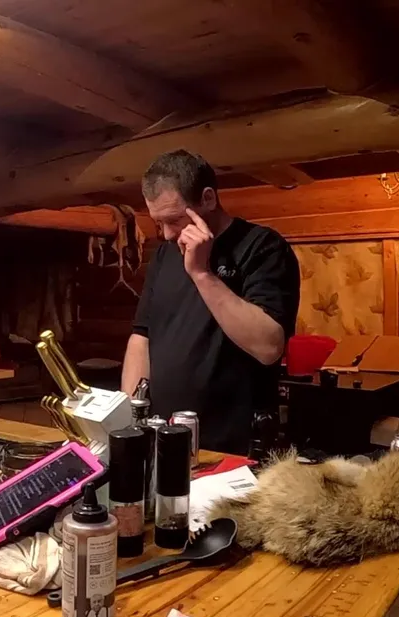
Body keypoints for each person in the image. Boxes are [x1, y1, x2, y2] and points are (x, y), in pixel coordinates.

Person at [123, 150, 301, 454]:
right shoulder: (165, 254)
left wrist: (202, 273)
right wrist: (130, 415)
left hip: (234, 443)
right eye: (158, 223)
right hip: (164, 435)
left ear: (208, 198)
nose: (167, 234)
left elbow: (269, 347)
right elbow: (142, 337)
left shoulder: (263, 247)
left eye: (175, 220)